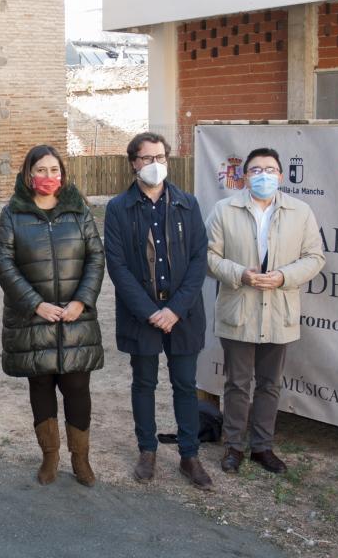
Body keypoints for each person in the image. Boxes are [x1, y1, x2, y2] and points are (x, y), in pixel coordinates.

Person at [205, 147, 325, 475]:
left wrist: (284, 276)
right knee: (237, 383)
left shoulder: (300, 212)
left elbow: (315, 257)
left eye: (270, 170)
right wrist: (240, 273)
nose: (263, 176)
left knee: (270, 384)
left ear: (281, 176)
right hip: (238, 308)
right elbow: (208, 257)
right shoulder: (224, 210)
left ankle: (262, 447)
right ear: (245, 176)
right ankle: (233, 446)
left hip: (279, 311)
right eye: (256, 170)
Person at [103, 132, 212, 490]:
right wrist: (151, 311)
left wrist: (175, 309)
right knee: (144, 383)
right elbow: (117, 266)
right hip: (142, 315)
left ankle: (189, 455)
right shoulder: (119, 208)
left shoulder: (187, 203)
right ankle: (147, 450)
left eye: (161, 158)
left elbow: (199, 259)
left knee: (185, 384)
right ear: (133, 163)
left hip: (183, 313)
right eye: (147, 159)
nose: (155, 165)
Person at [0, 145, 105, 487]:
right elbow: (3, 263)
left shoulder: (78, 210)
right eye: (40, 170)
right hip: (33, 318)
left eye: (54, 170)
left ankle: (81, 459)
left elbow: (95, 258)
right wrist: (35, 303)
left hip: (74, 319)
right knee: (40, 384)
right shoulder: (13, 213)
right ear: (28, 174)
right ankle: (50, 456)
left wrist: (81, 301)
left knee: (76, 386)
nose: (48, 177)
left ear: (63, 174)